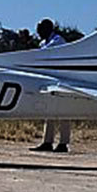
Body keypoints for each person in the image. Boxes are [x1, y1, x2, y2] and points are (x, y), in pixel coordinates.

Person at [31, 18, 73, 153]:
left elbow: (46, 54)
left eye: (40, 29)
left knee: (64, 112)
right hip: (50, 80)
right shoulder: (44, 42)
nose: (38, 32)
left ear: (47, 29)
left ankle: (63, 143)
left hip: (63, 80)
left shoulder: (57, 41)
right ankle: (47, 141)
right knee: (50, 112)